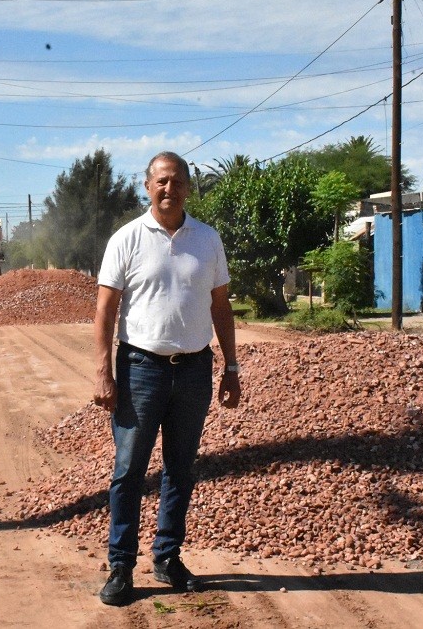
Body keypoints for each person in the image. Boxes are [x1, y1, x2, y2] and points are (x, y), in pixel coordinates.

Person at [93, 151, 241, 606]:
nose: (168, 189)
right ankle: (121, 567)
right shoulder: (128, 238)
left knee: (180, 469)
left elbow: (220, 306)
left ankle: (168, 558)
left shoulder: (208, 239)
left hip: (195, 369)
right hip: (140, 369)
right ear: (146, 186)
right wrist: (102, 371)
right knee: (128, 471)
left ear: (188, 187)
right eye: (160, 181)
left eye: (176, 181)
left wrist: (231, 366)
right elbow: (104, 310)